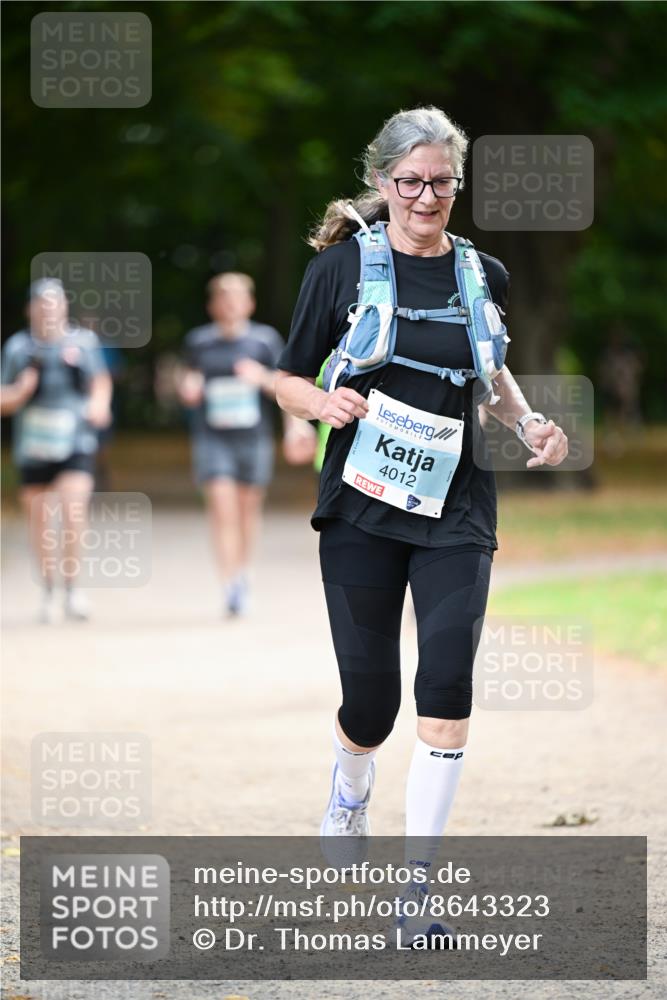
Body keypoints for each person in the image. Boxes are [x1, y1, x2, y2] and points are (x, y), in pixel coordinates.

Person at [276, 107, 568, 943]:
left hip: (457, 505)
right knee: (371, 703)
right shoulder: (338, 269)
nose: (425, 197)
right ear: (383, 181)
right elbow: (287, 378)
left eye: (441, 182)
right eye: (409, 182)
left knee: (444, 688)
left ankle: (417, 894)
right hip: (362, 505)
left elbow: (489, 369)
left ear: (456, 185)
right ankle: (349, 785)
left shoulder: (485, 273)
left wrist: (526, 422)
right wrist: (320, 403)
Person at [179, 272, 315, 617]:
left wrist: (290, 420)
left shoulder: (264, 341)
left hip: (252, 439)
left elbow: (287, 387)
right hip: (213, 438)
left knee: (246, 509)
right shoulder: (199, 342)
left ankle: (243, 573)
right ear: (212, 305)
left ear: (249, 303)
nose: (230, 304)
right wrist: (189, 387)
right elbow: (189, 377)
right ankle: (229, 583)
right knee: (221, 506)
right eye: (223, 297)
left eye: (237, 297)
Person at [1, 278, 112, 623]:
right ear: (30, 309)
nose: (48, 309)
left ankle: (73, 588)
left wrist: (99, 405)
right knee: (40, 519)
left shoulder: (84, 343)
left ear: (65, 306)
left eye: (55, 302)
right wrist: (20, 391)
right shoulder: (18, 348)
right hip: (33, 446)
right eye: (42, 303)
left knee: (73, 510)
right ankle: (49, 589)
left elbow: (101, 381)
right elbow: (4, 400)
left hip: (75, 442)